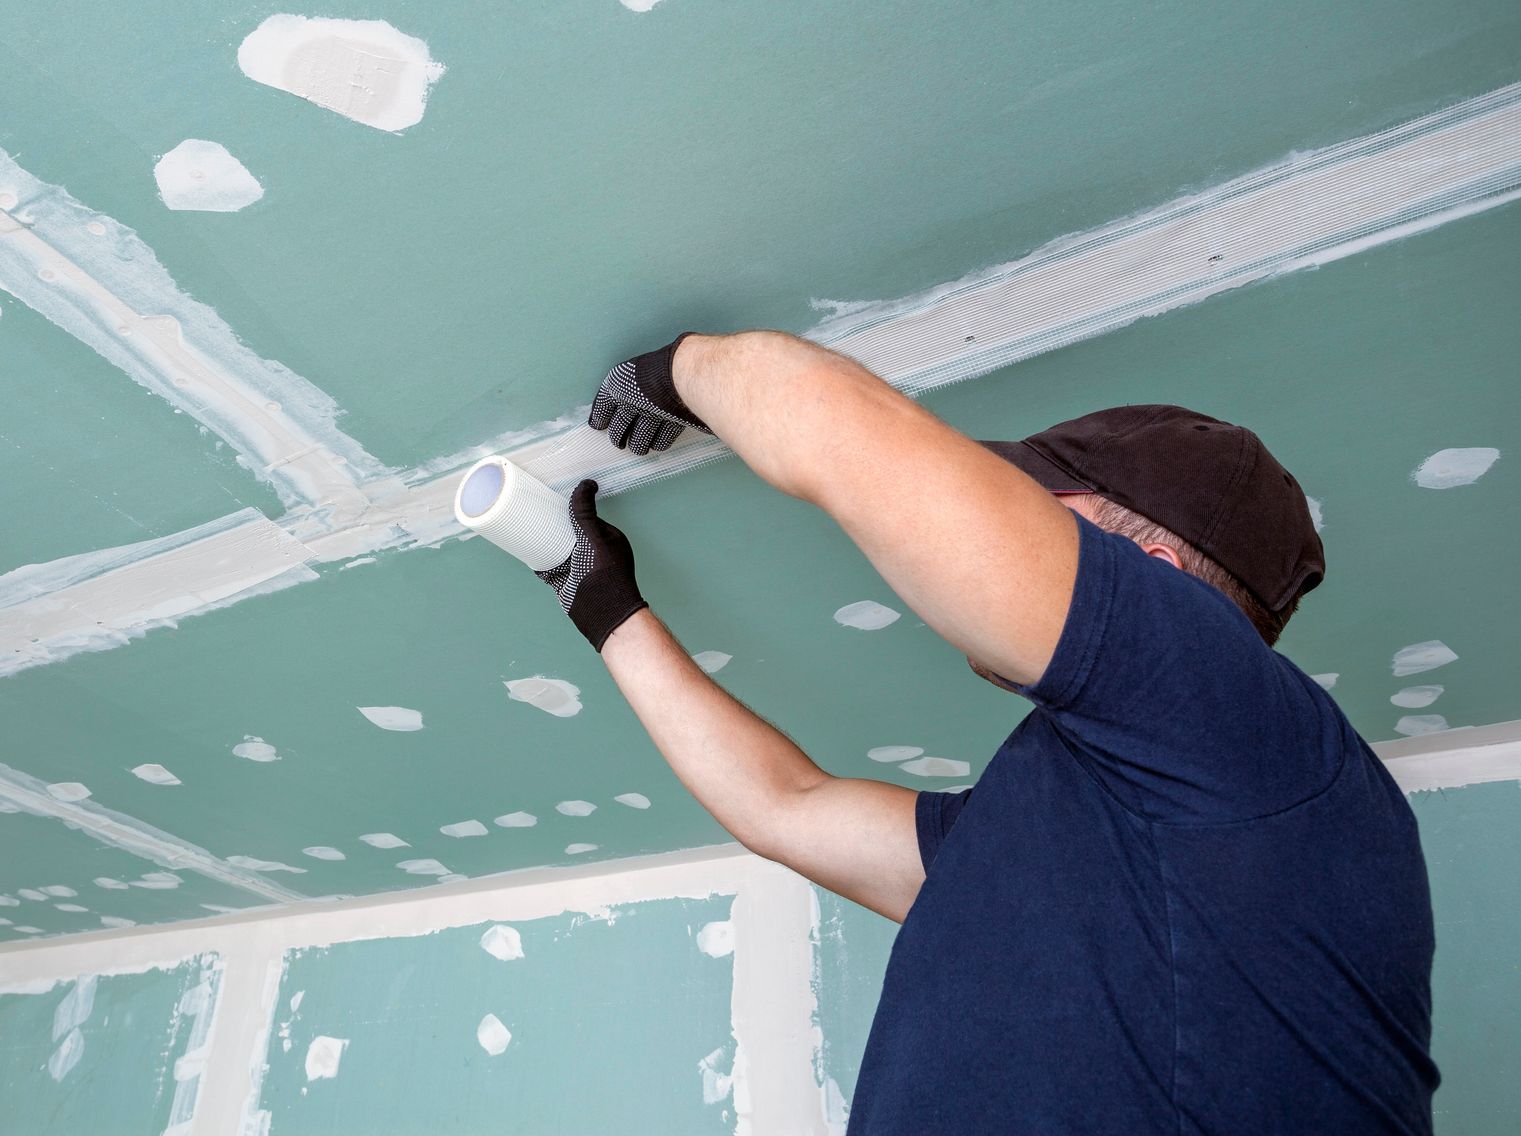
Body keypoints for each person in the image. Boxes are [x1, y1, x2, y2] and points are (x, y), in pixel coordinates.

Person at [536, 330, 1438, 1133]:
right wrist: (602, 603)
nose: (1010, 517)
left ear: (1154, 579)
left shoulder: (1248, 731)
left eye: (1043, 505)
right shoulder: (1112, 811)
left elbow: (848, 441)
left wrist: (679, 369)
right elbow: (788, 807)